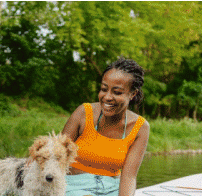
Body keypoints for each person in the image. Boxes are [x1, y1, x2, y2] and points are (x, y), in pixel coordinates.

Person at [61, 58, 150, 196]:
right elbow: (56, 156)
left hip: (111, 189)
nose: (107, 97)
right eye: (103, 89)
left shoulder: (141, 127)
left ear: (133, 94)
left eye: (117, 92)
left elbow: (129, 177)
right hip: (73, 187)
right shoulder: (84, 112)